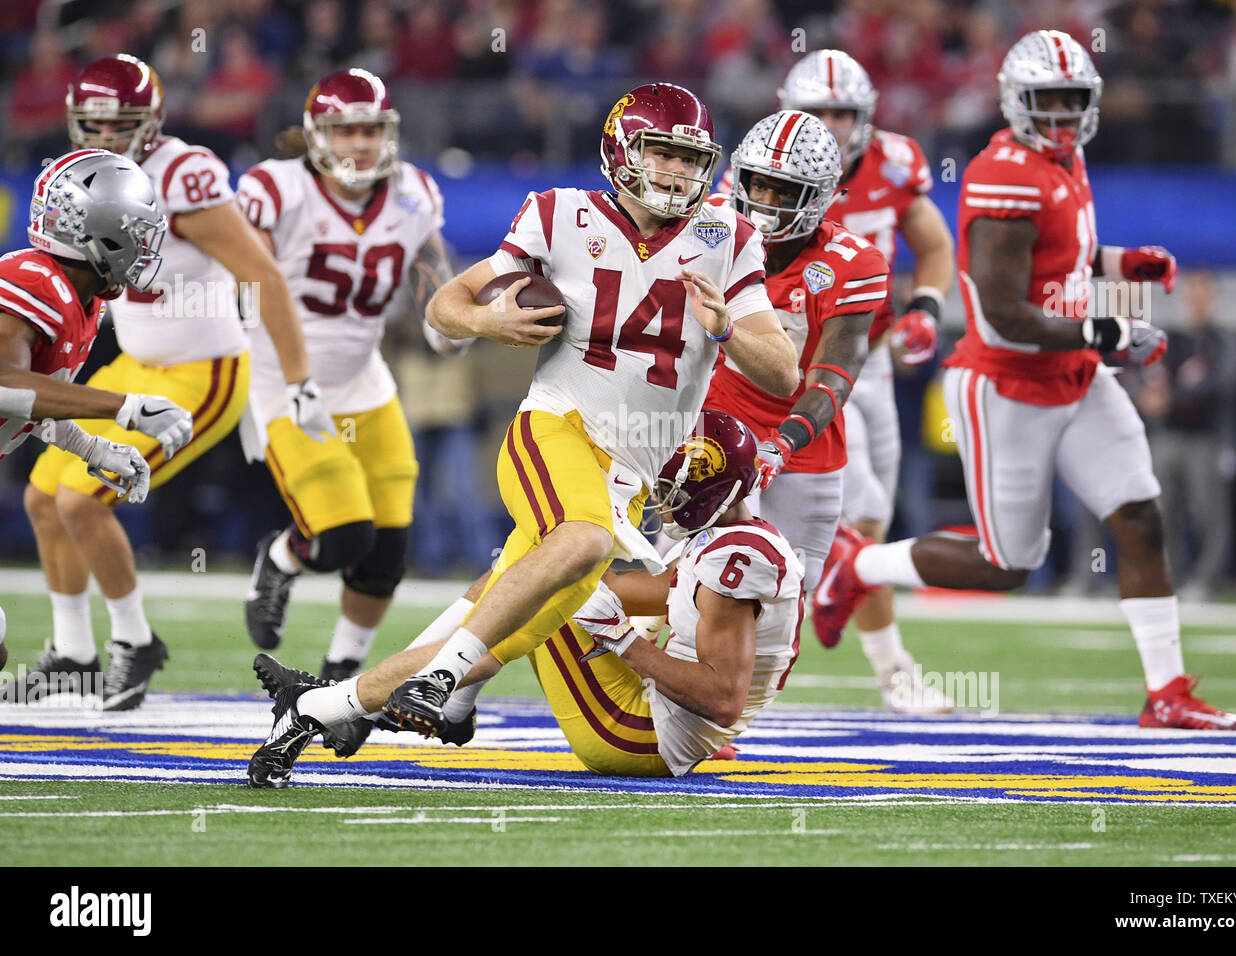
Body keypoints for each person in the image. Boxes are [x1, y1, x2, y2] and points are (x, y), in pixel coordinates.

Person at [245, 81, 799, 768]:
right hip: (558, 427)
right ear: (623, 150)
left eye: (691, 159)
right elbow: (446, 303)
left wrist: (728, 333)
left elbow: (782, 374)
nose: (678, 172)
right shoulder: (558, 213)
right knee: (582, 544)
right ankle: (443, 680)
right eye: (662, 153)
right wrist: (484, 320)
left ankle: (328, 706)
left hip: (633, 475)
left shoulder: (727, 235)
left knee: (503, 612)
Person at [815, 30, 1236, 730]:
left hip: (1074, 375)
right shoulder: (1003, 174)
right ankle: (858, 568)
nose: (1059, 115)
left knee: (1140, 515)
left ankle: (1167, 691)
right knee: (1008, 563)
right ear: (1017, 102)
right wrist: (1107, 331)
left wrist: (1119, 265)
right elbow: (1003, 312)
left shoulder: (1067, 159)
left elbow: (1062, 259)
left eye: (1071, 101)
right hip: (1008, 384)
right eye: (1045, 101)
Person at [247, 410, 804, 784]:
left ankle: (332, 706)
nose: (665, 497)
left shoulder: (739, 561)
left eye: (676, 488)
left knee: (534, 596)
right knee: (527, 577)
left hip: (643, 736)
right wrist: (560, 573)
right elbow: (653, 592)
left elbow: (724, 698)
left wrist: (624, 641)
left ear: (715, 490)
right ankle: (428, 704)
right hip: (654, 716)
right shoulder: (731, 541)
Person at [20, 55, 318, 712]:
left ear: (150, 121)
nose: (101, 136)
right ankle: (73, 652)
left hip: (202, 369)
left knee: (81, 502)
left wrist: (296, 377)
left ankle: (135, 640)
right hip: (134, 364)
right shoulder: (76, 176)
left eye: (117, 123)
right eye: (90, 123)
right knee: (44, 497)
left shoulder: (182, 174)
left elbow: (260, 274)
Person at [237, 68, 461, 680]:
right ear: (316, 136)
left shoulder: (413, 192)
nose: (360, 144)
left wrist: (454, 317)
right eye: (345, 131)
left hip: (364, 380)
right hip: (283, 380)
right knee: (342, 539)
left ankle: (342, 676)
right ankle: (281, 557)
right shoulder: (275, 190)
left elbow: (433, 271)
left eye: (371, 130)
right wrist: (295, 376)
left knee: (388, 549)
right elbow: (251, 285)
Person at [771, 49, 956, 712]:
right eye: (817, 111)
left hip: (870, 357)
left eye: (842, 112)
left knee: (872, 518)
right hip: (798, 366)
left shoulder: (895, 163)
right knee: (852, 513)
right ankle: (891, 669)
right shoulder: (770, 170)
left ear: (866, 115)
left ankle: (859, 629)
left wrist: (926, 308)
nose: (831, 124)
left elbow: (934, 244)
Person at [4, 150, 193, 693]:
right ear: (97, 232)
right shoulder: (36, 282)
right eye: (135, 230)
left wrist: (94, 449)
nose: (144, 245)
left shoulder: (82, 301)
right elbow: (5, 384)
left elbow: (33, 403)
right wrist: (125, 408)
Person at [704, 111, 887, 622]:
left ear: (821, 195)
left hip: (805, 446)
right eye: (758, 185)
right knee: (700, 586)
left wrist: (783, 443)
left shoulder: (853, 262)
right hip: (716, 425)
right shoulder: (710, 227)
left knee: (782, 612)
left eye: (784, 191)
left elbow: (834, 378)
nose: (765, 202)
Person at [1134, 271, 1236, 601]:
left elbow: (1221, 384)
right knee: (1163, 511)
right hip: (1169, 436)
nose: (1196, 301)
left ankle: (1208, 580)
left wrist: (1172, 399)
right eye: (1191, 294)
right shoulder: (1174, 340)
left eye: (1202, 295)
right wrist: (1151, 396)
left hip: (1207, 438)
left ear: (1213, 299)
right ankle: (1168, 577)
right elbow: (1152, 378)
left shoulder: (1224, 340)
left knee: (1208, 512)